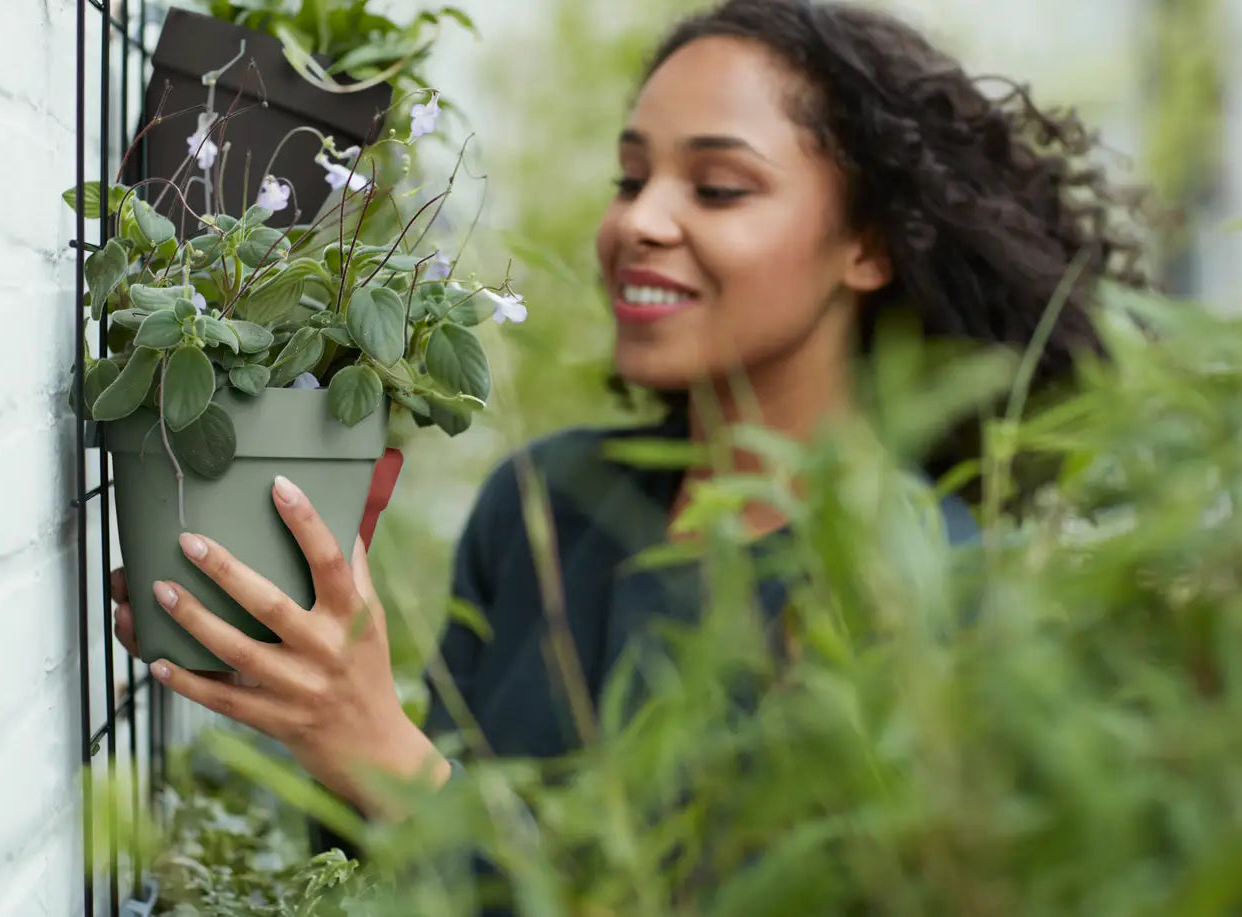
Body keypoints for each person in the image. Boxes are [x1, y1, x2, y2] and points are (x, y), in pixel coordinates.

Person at [110, 0, 1146, 824]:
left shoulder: (933, 593)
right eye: (630, 176)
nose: (637, 222)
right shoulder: (546, 501)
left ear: (868, 245)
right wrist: (316, 701)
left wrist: (391, 761)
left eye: (719, 188)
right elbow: (407, 869)